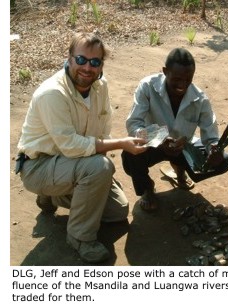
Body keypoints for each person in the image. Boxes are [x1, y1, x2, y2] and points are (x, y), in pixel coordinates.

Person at [16, 32, 148, 263]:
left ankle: (53, 196)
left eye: (95, 62)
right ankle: (79, 237)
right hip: (39, 166)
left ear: (101, 65)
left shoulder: (100, 85)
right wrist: (118, 148)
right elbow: (70, 146)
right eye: (81, 60)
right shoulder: (52, 94)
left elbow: (102, 128)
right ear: (69, 58)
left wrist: (100, 173)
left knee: (118, 211)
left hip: (74, 164)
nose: (88, 68)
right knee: (99, 168)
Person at [122, 47, 228, 211]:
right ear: (165, 71)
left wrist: (213, 150)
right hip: (153, 145)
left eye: (188, 80)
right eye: (177, 79)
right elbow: (133, 125)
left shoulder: (200, 99)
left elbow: (211, 136)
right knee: (130, 153)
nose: (182, 85)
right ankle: (147, 188)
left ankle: (180, 172)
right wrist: (159, 139)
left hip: (183, 147)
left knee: (224, 160)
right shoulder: (147, 86)